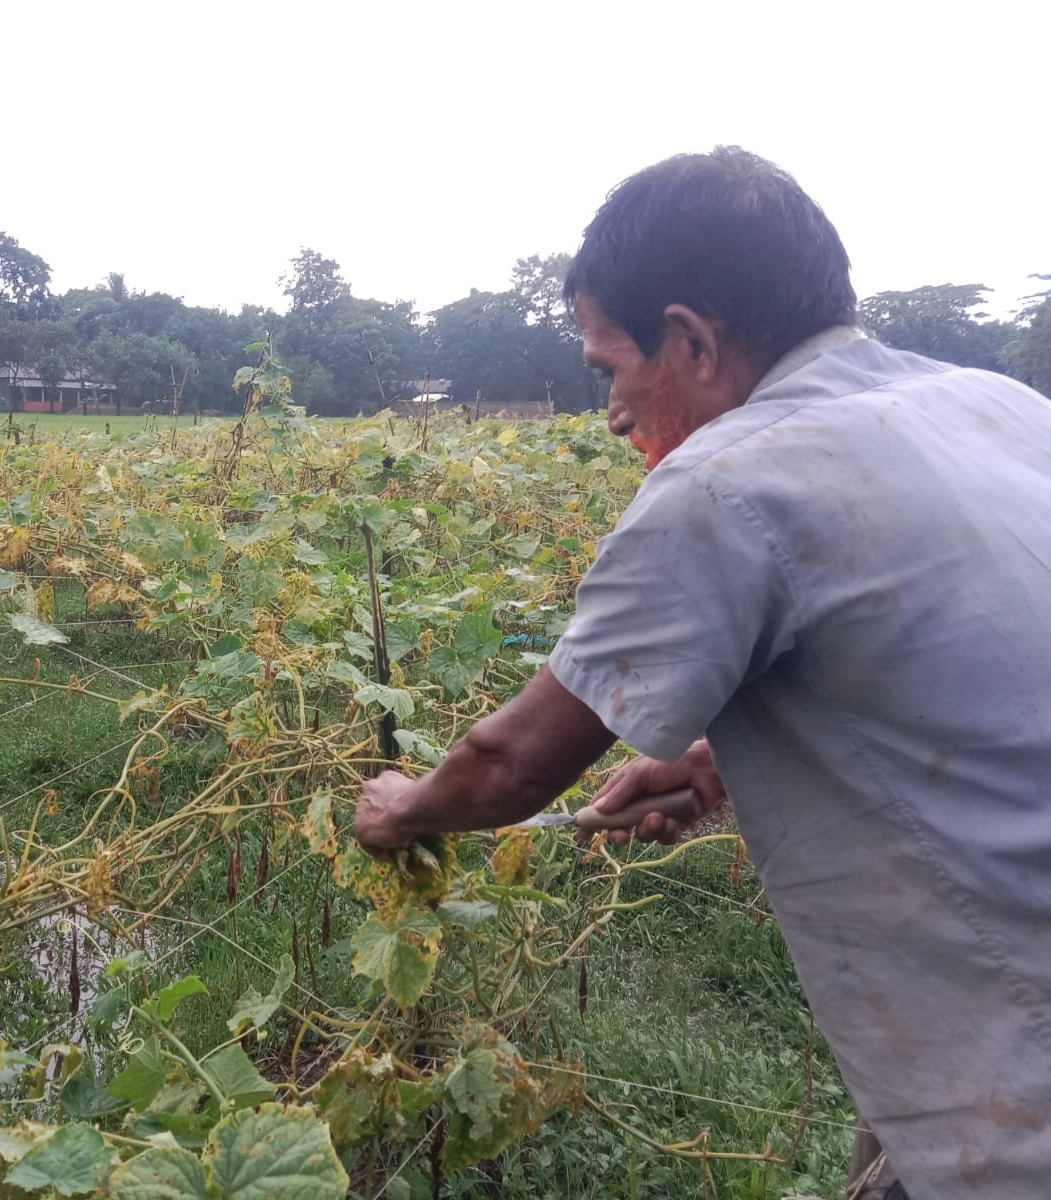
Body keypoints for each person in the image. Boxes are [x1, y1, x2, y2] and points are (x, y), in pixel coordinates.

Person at [353, 146, 1051, 1200]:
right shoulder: (1000, 409)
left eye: (609, 367)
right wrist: (722, 756)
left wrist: (403, 811)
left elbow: (511, 766)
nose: (613, 413)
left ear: (689, 339)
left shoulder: (728, 481)